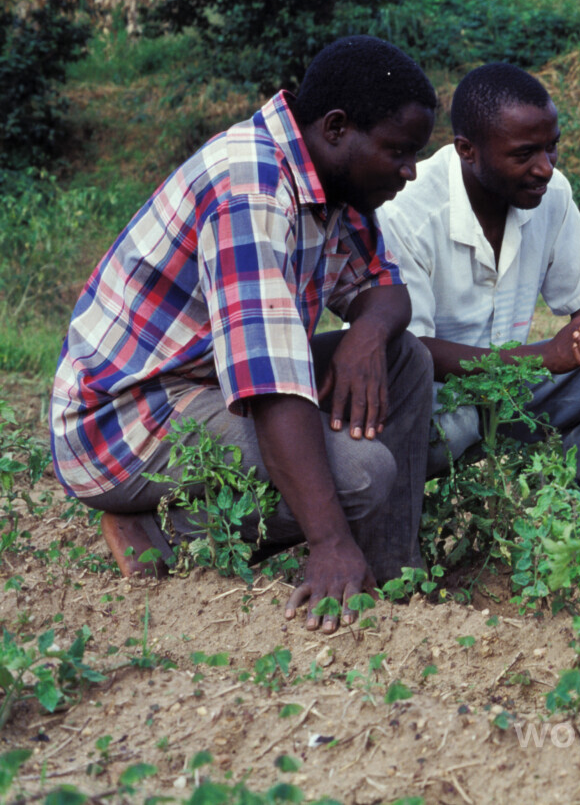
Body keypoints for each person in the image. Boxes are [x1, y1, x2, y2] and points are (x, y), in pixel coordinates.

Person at [51, 35, 439, 633]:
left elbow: (386, 289)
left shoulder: (336, 185)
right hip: (129, 416)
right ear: (337, 128)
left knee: (404, 356)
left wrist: (365, 331)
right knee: (363, 474)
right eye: (398, 152)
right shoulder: (250, 186)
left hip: (212, 381)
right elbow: (270, 384)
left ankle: (390, 572)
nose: (410, 172)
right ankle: (161, 530)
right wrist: (327, 538)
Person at [380, 63, 580, 504]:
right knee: (442, 426)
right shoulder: (406, 211)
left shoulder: (552, 193)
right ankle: (403, 511)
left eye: (552, 148)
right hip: (429, 399)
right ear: (467, 150)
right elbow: (410, 351)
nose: (545, 168)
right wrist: (543, 356)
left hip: (512, 393)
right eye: (524, 154)